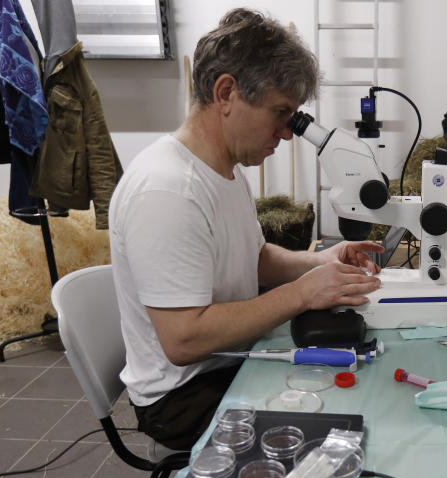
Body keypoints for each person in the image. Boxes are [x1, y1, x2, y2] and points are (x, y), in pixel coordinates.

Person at [109, 8, 383, 452]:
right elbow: (184, 339)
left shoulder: (224, 170)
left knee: (361, 389)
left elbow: (254, 257)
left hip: (225, 359)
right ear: (226, 93)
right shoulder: (167, 191)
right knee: (338, 435)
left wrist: (320, 262)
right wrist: (302, 293)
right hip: (183, 395)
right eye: (281, 113)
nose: (288, 133)